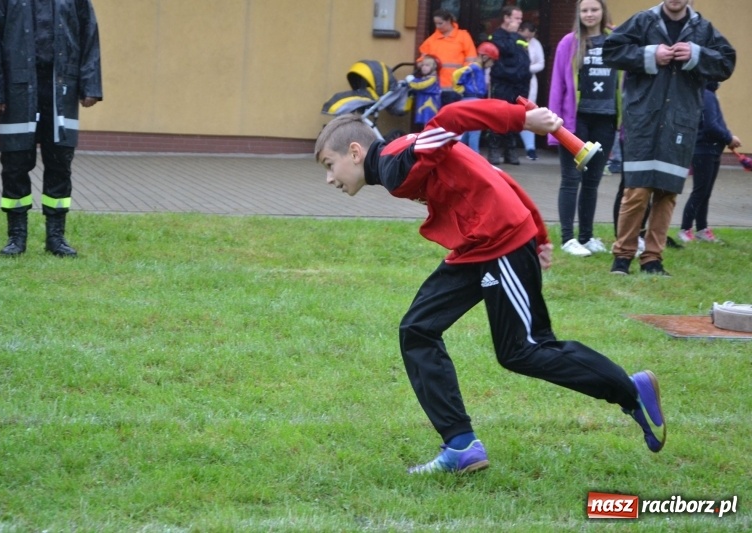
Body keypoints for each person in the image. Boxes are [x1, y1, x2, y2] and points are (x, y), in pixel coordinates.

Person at [314, 98, 667, 474]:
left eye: (329, 165)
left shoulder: (393, 161)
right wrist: (539, 230)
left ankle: (631, 391)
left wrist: (523, 120)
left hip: (499, 243)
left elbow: (451, 118)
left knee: (523, 349)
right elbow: (487, 171)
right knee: (417, 329)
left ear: (355, 152)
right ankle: (461, 445)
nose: (329, 178)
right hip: (478, 245)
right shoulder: (398, 158)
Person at [603, 0, 735, 275]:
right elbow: (611, 52)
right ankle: (622, 258)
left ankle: (653, 259)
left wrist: (696, 54)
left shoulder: (703, 29)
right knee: (636, 191)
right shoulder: (643, 21)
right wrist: (649, 55)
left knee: (667, 192)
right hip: (643, 121)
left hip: (680, 123)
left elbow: (726, 62)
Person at [0, 0, 103, 257]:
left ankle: (55, 237)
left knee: (60, 163)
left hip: (61, 88)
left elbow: (89, 35)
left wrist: (90, 85)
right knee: (14, 163)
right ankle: (16, 237)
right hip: (17, 89)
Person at [548, 0, 620, 258]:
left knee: (592, 182)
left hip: (606, 120)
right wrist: (555, 126)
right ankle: (568, 238)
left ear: (603, 12)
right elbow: (557, 85)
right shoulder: (569, 43)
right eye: (584, 10)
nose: (589, 14)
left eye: (594, 9)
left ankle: (587, 237)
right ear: (578, 14)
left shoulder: (616, 40)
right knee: (571, 179)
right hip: (575, 123)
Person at [678, 81, 741, 243]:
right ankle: (685, 229)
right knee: (699, 192)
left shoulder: (709, 94)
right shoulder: (706, 95)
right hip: (703, 151)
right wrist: (729, 138)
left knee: (705, 193)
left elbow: (717, 123)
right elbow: (711, 126)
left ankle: (702, 229)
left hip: (712, 151)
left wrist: (727, 138)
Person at [486, 5, 531, 166]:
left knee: (515, 117)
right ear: (506, 18)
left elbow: (525, 60)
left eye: (520, 18)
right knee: (499, 117)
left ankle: (511, 151)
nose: (520, 22)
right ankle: (494, 151)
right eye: (517, 18)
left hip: (519, 85)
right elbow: (504, 54)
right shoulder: (496, 37)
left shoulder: (519, 37)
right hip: (503, 84)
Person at [418, 9, 478, 107]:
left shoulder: (463, 36)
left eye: (440, 23)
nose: (437, 26)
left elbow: (471, 62)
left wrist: (463, 80)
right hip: (434, 89)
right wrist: (422, 65)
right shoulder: (431, 40)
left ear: (449, 21)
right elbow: (421, 61)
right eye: (435, 24)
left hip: (456, 89)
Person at [453, 42, 499, 152]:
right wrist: (460, 89)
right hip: (472, 100)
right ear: (485, 57)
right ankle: (475, 156)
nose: (492, 64)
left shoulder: (479, 69)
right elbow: (456, 75)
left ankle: (456, 152)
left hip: (472, 99)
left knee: (467, 131)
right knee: (475, 130)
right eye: (492, 60)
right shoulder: (474, 68)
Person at [517, 21, 545, 161]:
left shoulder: (535, 43)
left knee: (527, 112)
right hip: (512, 80)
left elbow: (541, 63)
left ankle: (530, 147)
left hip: (529, 80)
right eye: (526, 36)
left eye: (531, 36)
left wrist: (526, 69)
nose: (528, 39)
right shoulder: (513, 41)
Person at [406, 55, 442, 127]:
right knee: (425, 125)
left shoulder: (433, 79)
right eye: (423, 65)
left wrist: (411, 81)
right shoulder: (425, 78)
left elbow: (421, 85)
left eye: (427, 65)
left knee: (429, 124)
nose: (424, 67)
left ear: (434, 67)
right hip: (424, 106)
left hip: (430, 107)